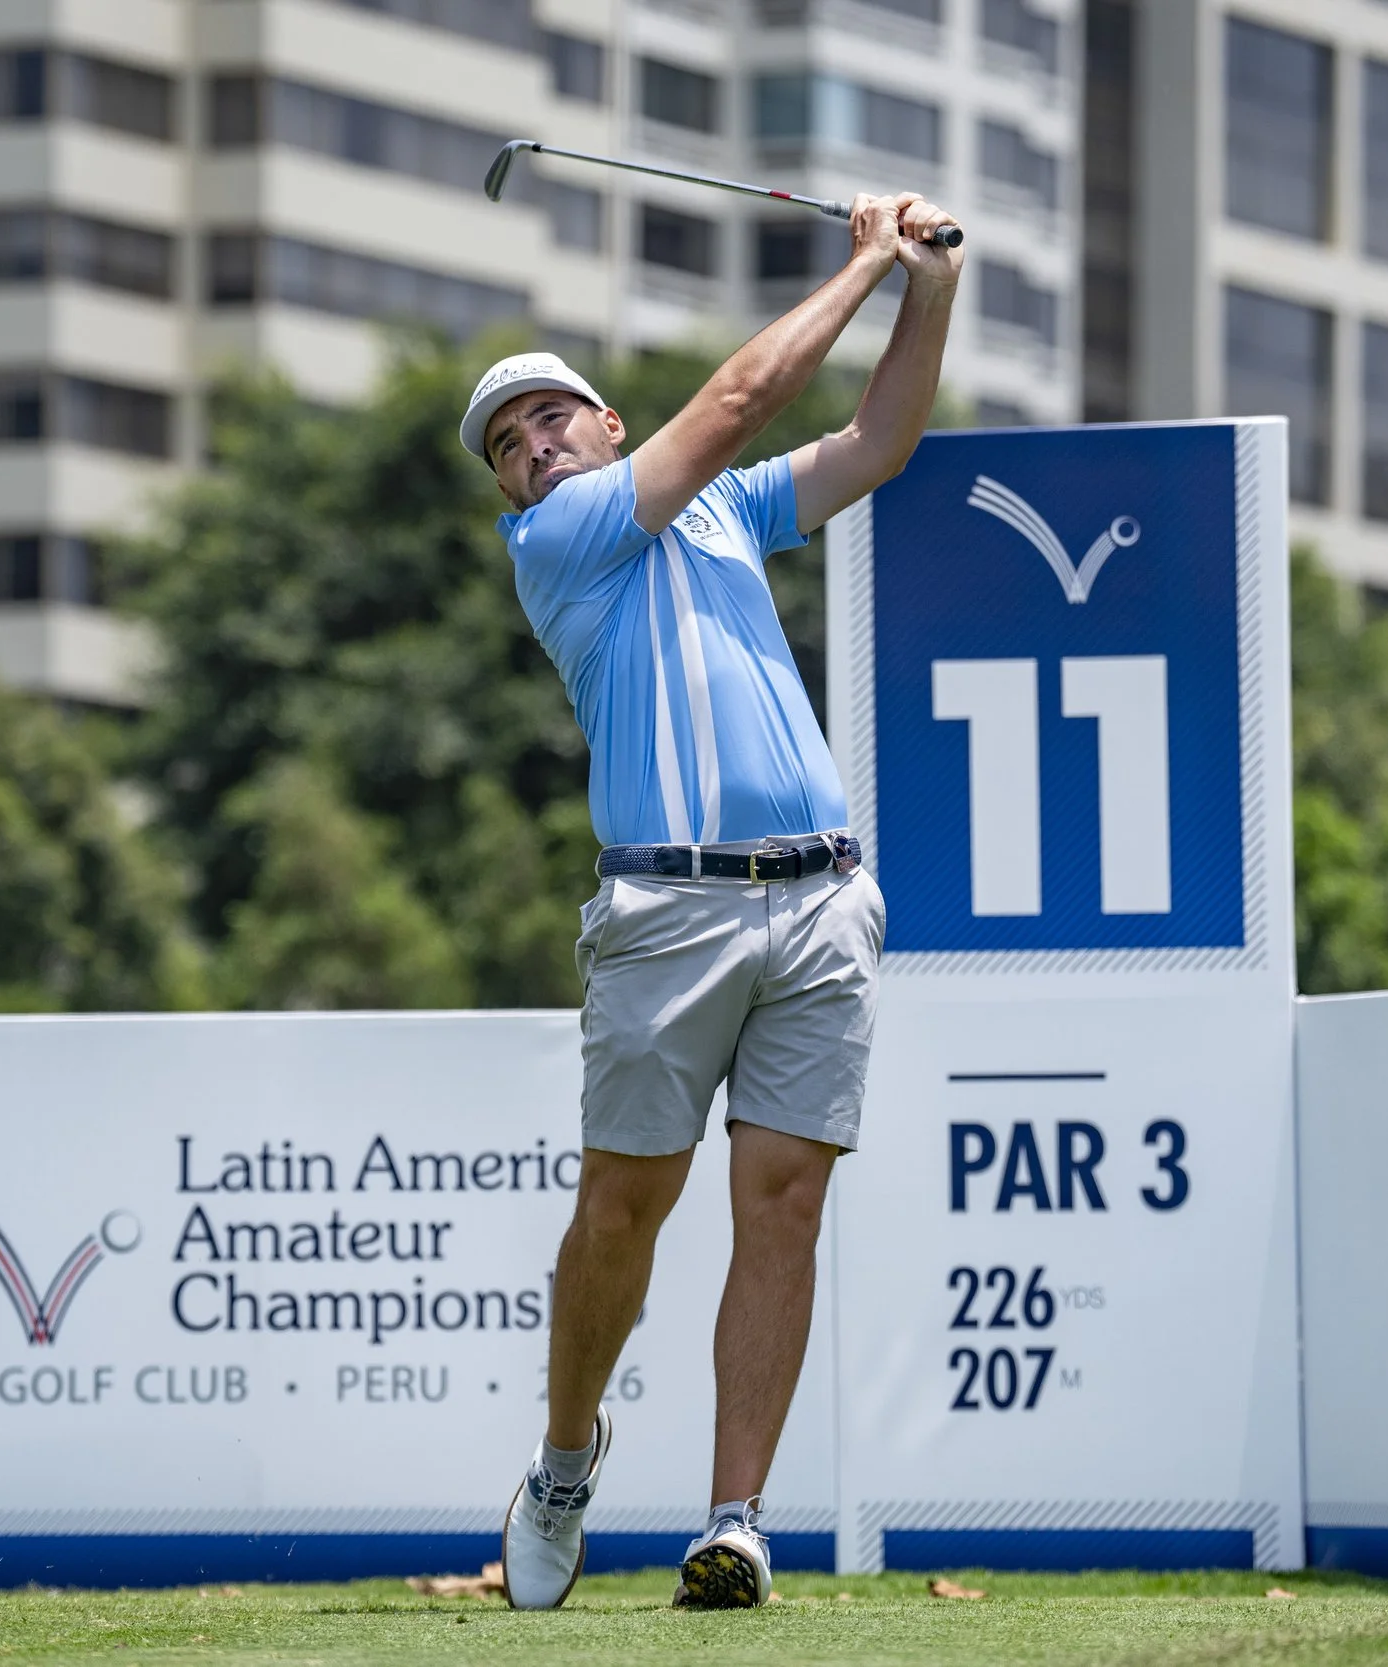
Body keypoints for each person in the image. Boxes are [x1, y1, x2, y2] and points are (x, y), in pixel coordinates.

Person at [459, 191, 962, 1611]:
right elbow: (742, 396)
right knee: (623, 1211)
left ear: (610, 427)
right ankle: (566, 1462)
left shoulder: (729, 514)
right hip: (666, 917)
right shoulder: (559, 547)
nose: (536, 441)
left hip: (819, 902)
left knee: (785, 1203)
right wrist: (866, 252)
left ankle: (736, 1518)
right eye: (511, 443)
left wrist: (927, 288)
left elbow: (881, 441)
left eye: (555, 416)